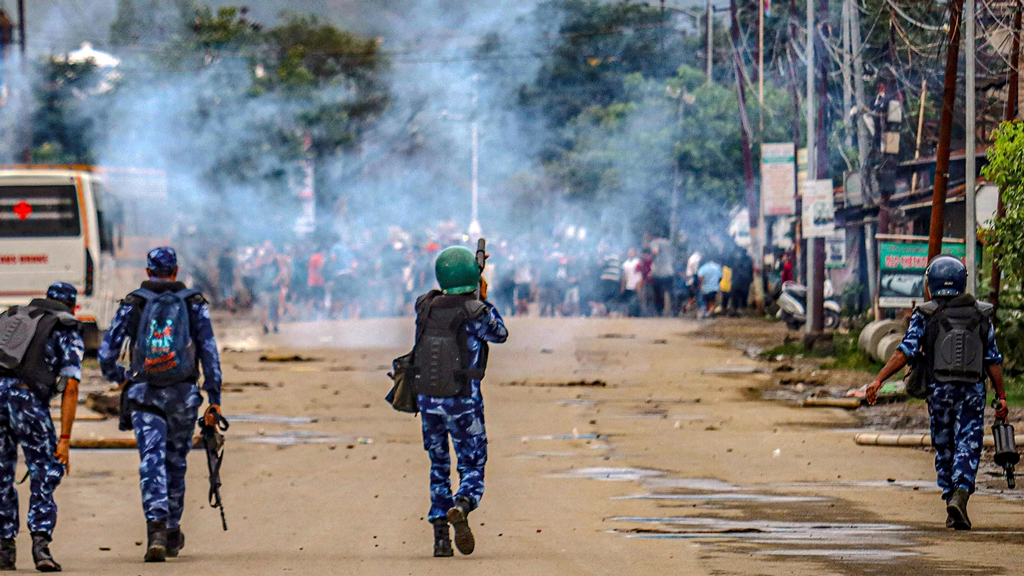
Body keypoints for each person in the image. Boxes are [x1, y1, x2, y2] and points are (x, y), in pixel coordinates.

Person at [98, 247, 223, 562]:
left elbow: (106, 354)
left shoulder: (134, 303)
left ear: (148, 270)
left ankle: (155, 529)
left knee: (151, 461)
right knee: (175, 463)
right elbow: (209, 351)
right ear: (176, 271)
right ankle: (171, 530)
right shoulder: (194, 304)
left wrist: (123, 378)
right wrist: (214, 398)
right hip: (183, 395)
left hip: (144, 396)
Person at [866, 255, 1005, 531]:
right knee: (969, 443)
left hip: (939, 390)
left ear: (931, 283)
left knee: (944, 446)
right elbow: (992, 359)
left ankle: (950, 498)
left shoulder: (925, 313)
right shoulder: (981, 313)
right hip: (972, 391)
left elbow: (904, 351)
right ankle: (961, 494)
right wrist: (1001, 396)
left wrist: (878, 379)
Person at [411, 247, 507, 558]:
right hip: (463, 402)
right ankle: (462, 505)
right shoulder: (476, 312)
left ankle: (440, 539)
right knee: (472, 464)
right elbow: (500, 333)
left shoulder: (425, 306)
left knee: (438, 466)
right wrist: (482, 296)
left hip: (428, 400)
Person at [0, 283, 83, 572]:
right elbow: (71, 386)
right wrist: (64, 439)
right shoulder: (65, 328)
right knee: (45, 471)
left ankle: (4, 549)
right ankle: (40, 546)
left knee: (1, 475)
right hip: (27, 401)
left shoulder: (14, 317)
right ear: (71, 305)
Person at [649, 236, 674, 316]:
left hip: (659, 272)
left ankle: (660, 311)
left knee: (658, 293)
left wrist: (651, 258)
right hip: (669, 271)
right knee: (670, 292)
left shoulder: (654, 242)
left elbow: (655, 251)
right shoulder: (668, 242)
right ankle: (673, 311)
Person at [621, 249, 643, 317]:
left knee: (635, 301)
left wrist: (639, 285)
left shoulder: (637, 262)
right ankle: (630, 314)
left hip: (635, 284)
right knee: (629, 301)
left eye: (632, 252)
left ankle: (637, 315)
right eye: (629, 252)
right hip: (628, 285)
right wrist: (622, 286)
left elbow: (640, 274)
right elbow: (624, 276)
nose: (630, 254)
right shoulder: (625, 263)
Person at [216, 246, 237, 313]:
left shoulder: (221, 260)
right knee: (229, 293)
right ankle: (231, 307)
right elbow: (234, 270)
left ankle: (231, 307)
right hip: (230, 278)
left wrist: (217, 278)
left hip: (224, 279)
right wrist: (236, 278)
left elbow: (218, 271)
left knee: (227, 294)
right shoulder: (231, 260)